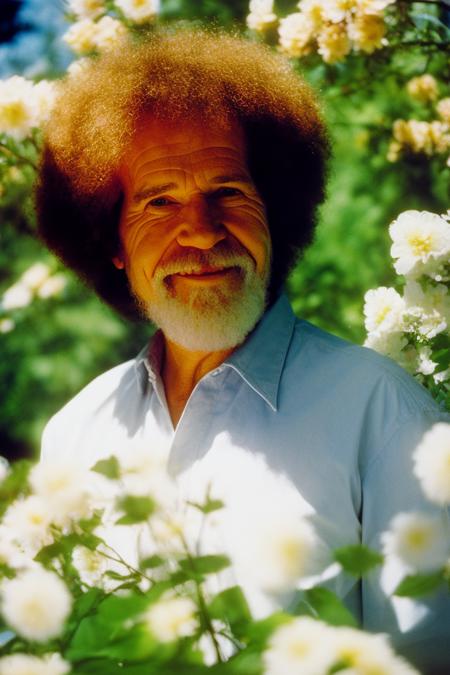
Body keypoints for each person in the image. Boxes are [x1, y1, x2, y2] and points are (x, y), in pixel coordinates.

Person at [36, 27, 449, 671]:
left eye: (227, 191)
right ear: (112, 243)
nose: (199, 233)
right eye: (159, 201)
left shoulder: (385, 414)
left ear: (275, 212)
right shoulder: (72, 437)